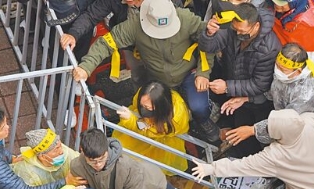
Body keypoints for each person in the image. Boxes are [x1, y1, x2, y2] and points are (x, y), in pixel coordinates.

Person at [73, 0, 219, 142]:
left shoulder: (186, 18)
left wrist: (203, 73)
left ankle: (204, 120)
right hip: (159, 80)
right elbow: (107, 42)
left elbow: (208, 42)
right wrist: (86, 66)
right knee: (158, 114)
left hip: (189, 73)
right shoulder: (135, 25)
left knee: (199, 107)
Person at [199, 3, 280, 158]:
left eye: (243, 32)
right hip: (236, 87)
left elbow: (260, 83)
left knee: (252, 134)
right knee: (238, 124)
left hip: (257, 100)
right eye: (236, 30)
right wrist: (209, 34)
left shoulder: (269, 47)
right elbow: (209, 47)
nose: (238, 35)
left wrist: (227, 87)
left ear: (256, 26)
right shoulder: (232, 29)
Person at [69, 128, 192, 189]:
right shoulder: (78, 166)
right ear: (82, 152)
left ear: (106, 149)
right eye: (92, 161)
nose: (98, 165)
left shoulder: (127, 168)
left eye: (101, 159)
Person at [59, 0, 149, 85]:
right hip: (129, 45)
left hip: (153, 46)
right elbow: (91, 15)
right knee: (138, 77)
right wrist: (74, 34)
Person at [112, 81, 191, 174]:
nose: (143, 110)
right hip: (145, 130)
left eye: (148, 108)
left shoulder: (175, 119)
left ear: (161, 107)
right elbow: (135, 106)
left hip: (161, 139)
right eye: (142, 105)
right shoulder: (143, 94)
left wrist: (131, 121)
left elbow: (151, 133)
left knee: (151, 166)